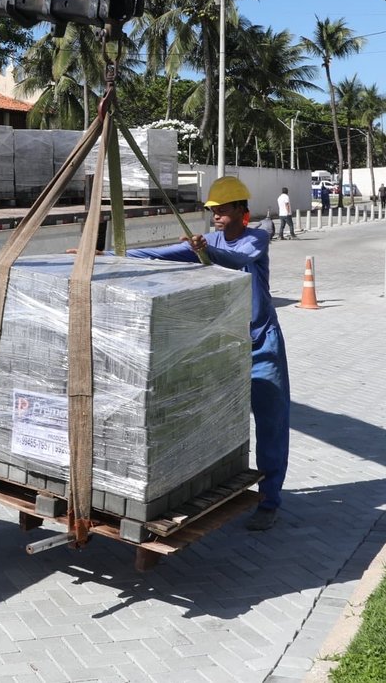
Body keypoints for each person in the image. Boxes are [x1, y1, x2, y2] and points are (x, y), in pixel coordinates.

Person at [127, 176, 290, 532]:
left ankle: (270, 500)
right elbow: (162, 252)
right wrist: (106, 255)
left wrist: (206, 251)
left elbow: (239, 257)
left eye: (220, 210)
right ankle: (217, 491)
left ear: (238, 210)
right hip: (223, 346)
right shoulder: (209, 240)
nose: (215, 216)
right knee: (213, 420)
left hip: (262, 343)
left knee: (271, 424)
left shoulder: (257, 235)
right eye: (212, 211)